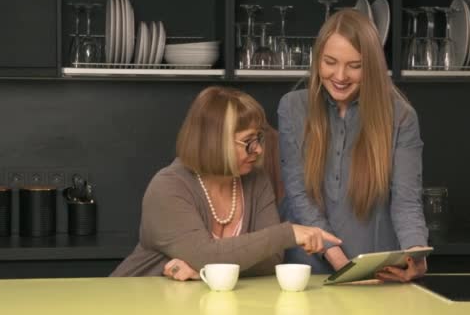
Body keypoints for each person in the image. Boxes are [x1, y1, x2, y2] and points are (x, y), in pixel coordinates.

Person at [111, 86, 341, 280]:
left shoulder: (255, 180)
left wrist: (205, 271)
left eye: (259, 138)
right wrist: (287, 233)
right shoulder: (167, 188)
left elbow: (272, 259)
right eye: (248, 142)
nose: (259, 149)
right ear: (215, 142)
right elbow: (205, 254)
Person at [278, 9, 428, 282]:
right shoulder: (292, 107)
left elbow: (407, 202)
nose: (340, 75)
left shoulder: (402, 117)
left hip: (378, 274)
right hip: (306, 273)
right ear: (317, 60)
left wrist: (416, 256)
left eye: (354, 66)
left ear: (370, 66)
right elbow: (299, 196)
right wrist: (342, 264)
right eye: (330, 62)